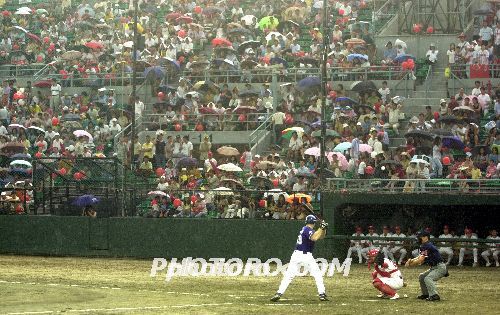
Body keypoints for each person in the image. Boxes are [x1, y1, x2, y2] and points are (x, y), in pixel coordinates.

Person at [270, 214, 329, 302]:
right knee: (317, 274)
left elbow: (321, 236)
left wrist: (323, 229)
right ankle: (322, 294)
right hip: (305, 255)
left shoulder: (305, 229)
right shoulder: (307, 229)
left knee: (289, 275)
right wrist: (321, 227)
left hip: (296, 255)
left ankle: (279, 293)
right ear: (313, 222)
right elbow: (315, 238)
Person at [405, 229, 449, 302]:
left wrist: (410, 264)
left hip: (439, 267)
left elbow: (420, 260)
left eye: (420, 236)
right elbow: (419, 257)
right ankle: (426, 294)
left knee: (428, 278)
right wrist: (411, 261)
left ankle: (434, 295)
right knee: (422, 277)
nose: (418, 238)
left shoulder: (427, 245)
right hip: (434, 267)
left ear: (426, 237)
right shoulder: (425, 245)